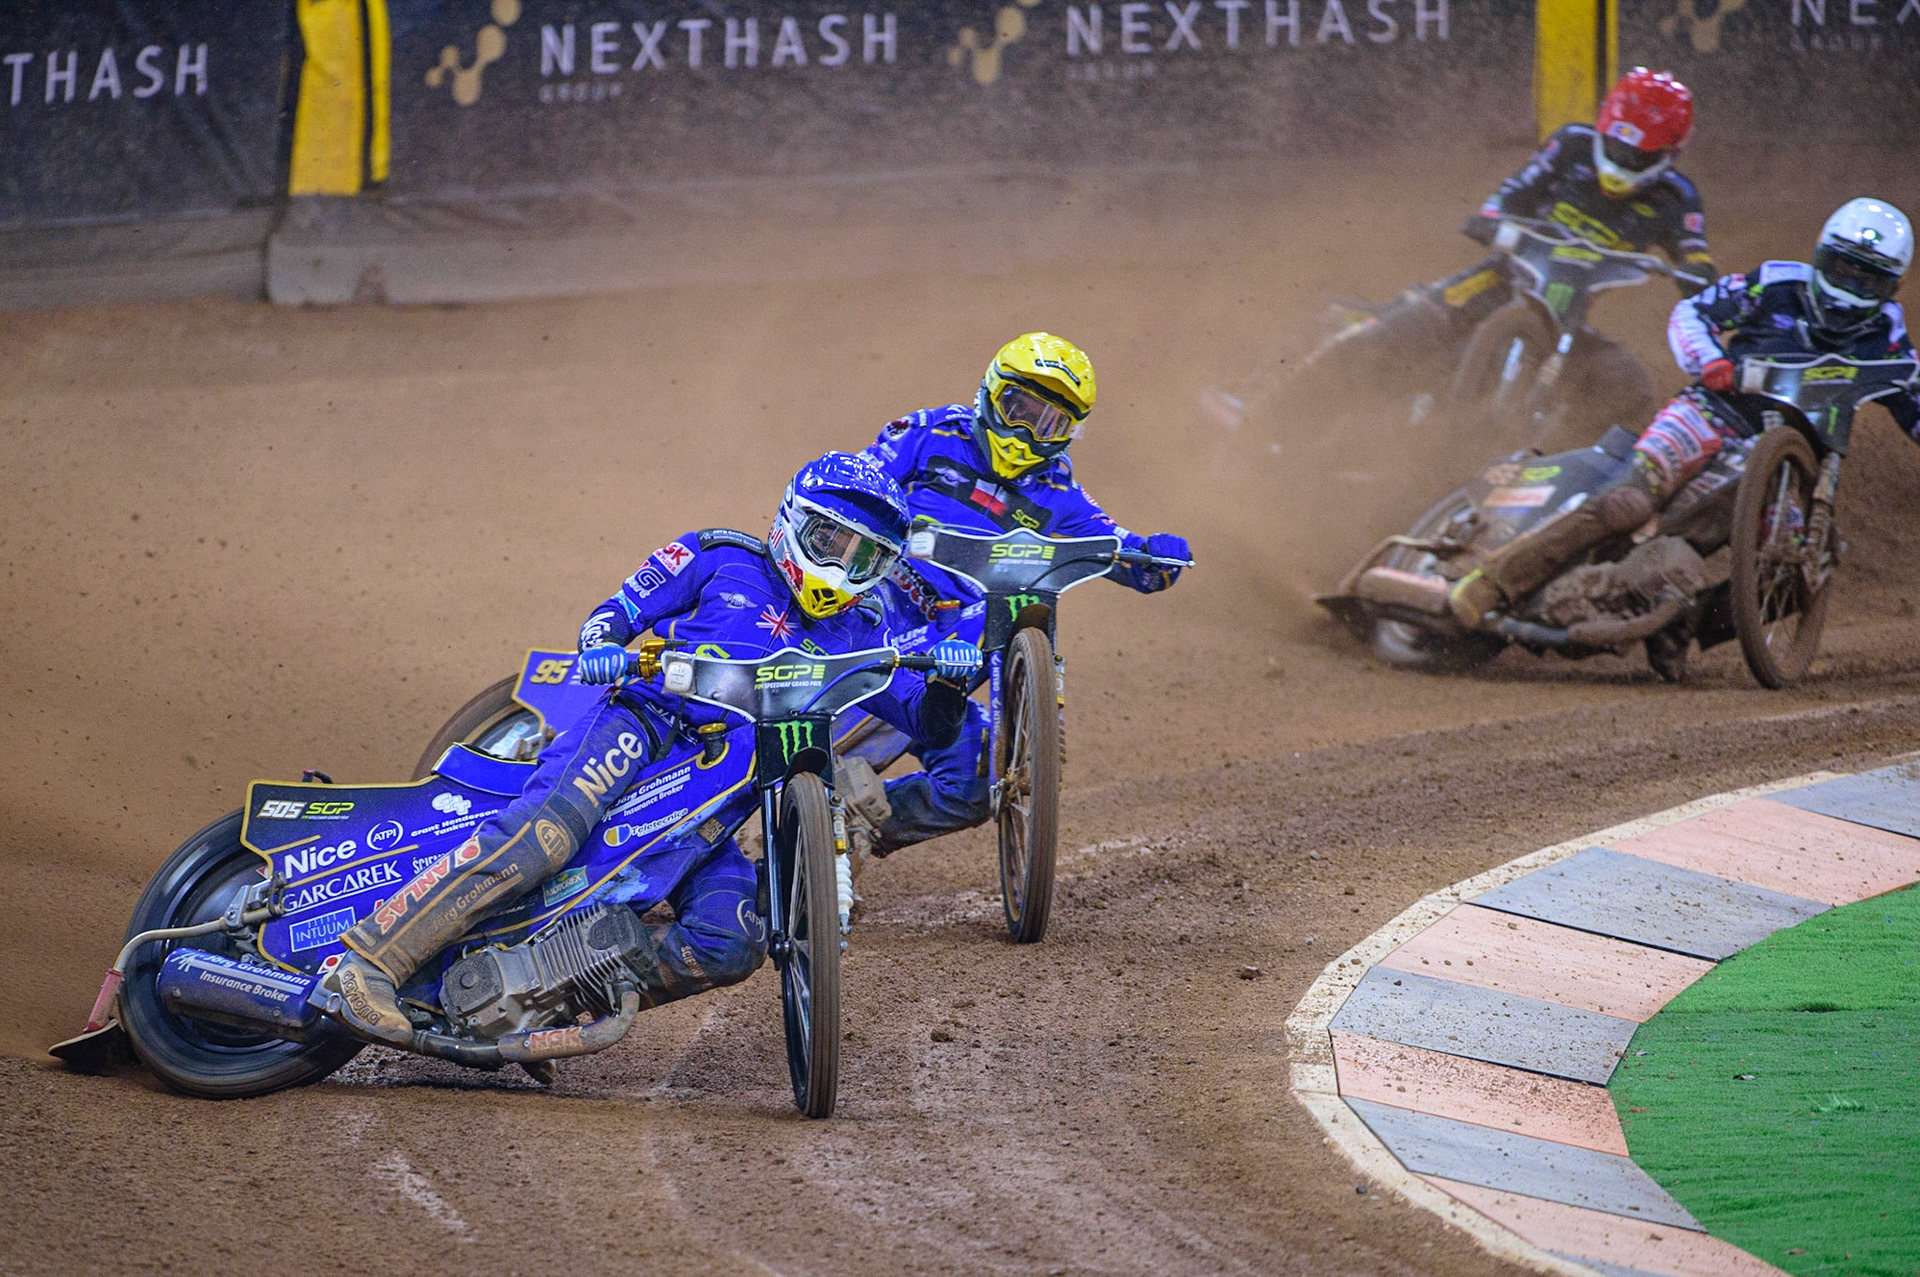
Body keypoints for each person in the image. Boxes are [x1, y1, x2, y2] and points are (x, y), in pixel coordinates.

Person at [323, 452, 984, 1044]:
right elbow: (615, 612)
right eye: (829, 541)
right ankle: (367, 964)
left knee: (731, 938)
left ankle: (533, 999)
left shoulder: (860, 632)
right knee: (544, 835)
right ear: (792, 522)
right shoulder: (719, 554)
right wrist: (604, 646)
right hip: (644, 729)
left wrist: (952, 684)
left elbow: (928, 725)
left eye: (861, 557)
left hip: (716, 806)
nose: (839, 567)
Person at [1447, 197, 1920, 630]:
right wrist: (1710, 360)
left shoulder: (1891, 338)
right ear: (1820, 255)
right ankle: (1492, 582)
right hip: (1712, 414)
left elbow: (1913, 403)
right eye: (1841, 268)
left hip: (1789, 464)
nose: (1849, 288)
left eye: (1867, 279)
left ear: (1893, 285)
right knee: (1627, 502)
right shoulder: (1776, 284)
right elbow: (1694, 314)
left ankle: (1685, 626)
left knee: (1806, 565)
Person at [836, 332, 1191, 858]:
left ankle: (841, 833)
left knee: (974, 786)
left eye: (1051, 423)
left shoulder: (1058, 492)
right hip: (877, 619)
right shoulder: (926, 434)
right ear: (990, 393)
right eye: (1020, 408)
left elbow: (1118, 549)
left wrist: (1154, 557)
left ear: (1071, 432)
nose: (1029, 431)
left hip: (954, 659)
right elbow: (849, 492)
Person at [1213, 69, 1715, 436]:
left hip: (1567, 314)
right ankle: (1261, 417)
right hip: (1498, 278)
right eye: (1618, 147)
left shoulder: (1676, 198)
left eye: (1639, 157)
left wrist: (1698, 276)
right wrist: (1492, 218)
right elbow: (1515, 192)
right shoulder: (1573, 145)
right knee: (1391, 335)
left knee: (1627, 387)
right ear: (1604, 128)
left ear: (1669, 156)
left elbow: (1694, 252)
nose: (1623, 164)